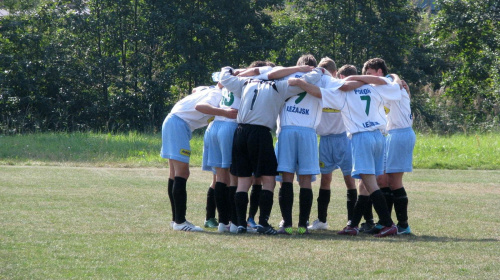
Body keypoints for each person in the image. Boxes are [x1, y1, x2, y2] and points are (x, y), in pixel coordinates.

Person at [289, 62, 402, 237]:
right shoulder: (374, 87)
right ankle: (353, 224)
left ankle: (388, 223)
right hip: (379, 136)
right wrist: (392, 76)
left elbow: (318, 92)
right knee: (364, 185)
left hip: (361, 136)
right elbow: (395, 85)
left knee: (369, 183)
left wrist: (299, 83)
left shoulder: (343, 93)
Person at [219, 64, 323, 234]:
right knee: (268, 180)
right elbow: (307, 80)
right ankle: (263, 223)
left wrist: (228, 68)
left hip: (240, 132)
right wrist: (317, 70)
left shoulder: (245, 83)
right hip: (260, 133)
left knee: (243, 181)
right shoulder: (279, 87)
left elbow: (224, 78)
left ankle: (239, 224)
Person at [203, 62, 275, 233]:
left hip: (215, 126)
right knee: (234, 178)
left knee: (221, 177)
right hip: (230, 126)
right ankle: (235, 222)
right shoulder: (250, 82)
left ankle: (223, 223)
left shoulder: (230, 80)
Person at [161, 83, 237, 232]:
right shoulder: (217, 93)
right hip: (179, 124)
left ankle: (176, 219)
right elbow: (200, 107)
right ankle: (180, 222)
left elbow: (196, 90)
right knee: (182, 173)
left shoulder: (210, 90)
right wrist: (224, 112)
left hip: (174, 121)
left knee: (174, 174)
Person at [362, 58, 416, 235]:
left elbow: (394, 81)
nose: (367, 77)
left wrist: (395, 77)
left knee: (394, 181)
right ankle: (385, 222)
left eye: (369, 74)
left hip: (400, 134)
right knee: (382, 180)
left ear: (379, 72)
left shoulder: (392, 85)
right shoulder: (386, 85)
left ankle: (403, 225)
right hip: (390, 135)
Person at [307, 61, 359, 231]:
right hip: (326, 140)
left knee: (349, 180)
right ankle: (322, 220)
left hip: (343, 139)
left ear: (335, 73)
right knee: (325, 179)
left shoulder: (340, 87)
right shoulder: (317, 89)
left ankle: (352, 222)